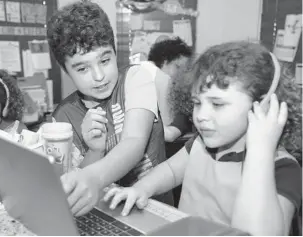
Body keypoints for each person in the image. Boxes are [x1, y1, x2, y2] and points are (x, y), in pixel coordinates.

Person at [104, 41, 302, 235]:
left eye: (217, 104)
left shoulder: (282, 168)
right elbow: (172, 171)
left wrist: (260, 152)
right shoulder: (200, 144)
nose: (200, 116)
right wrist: (141, 189)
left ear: (263, 106)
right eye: (197, 103)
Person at [46, 1, 173, 216]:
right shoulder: (63, 116)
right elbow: (77, 183)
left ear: (115, 52)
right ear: (66, 70)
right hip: (103, 212)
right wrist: (95, 150)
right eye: (83, 68)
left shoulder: (135, 79)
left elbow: (134, 143)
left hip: (152, 208)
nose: (98, 76)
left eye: (104, 60)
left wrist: (92, 178)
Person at [147, 37, 194, 142]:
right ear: (164, 62)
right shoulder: (164, 79)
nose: (180, 74)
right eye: (178, 67)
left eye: (184, 70)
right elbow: (169, 134)